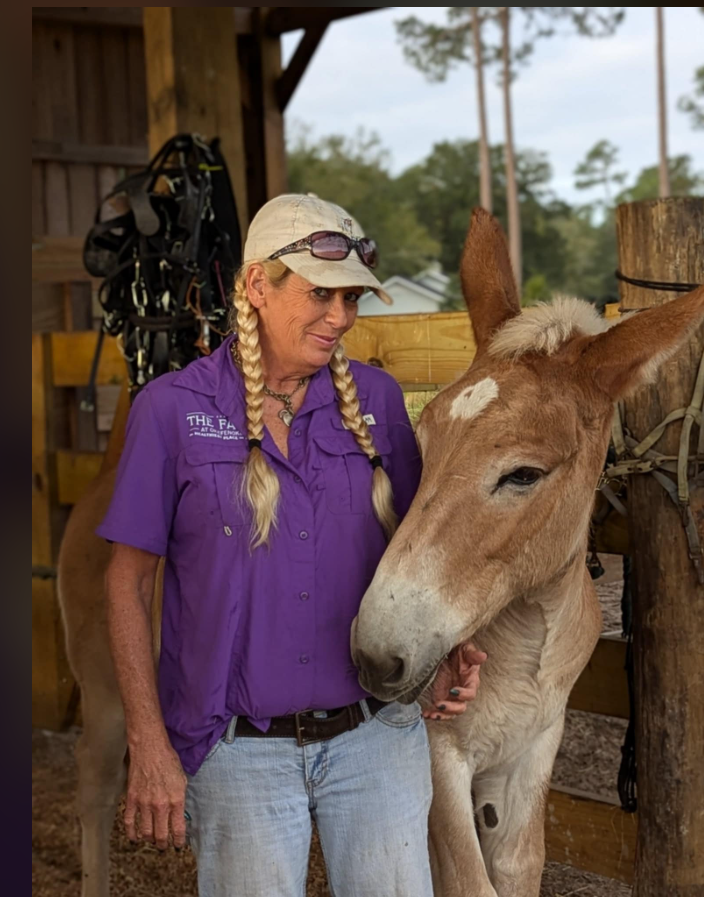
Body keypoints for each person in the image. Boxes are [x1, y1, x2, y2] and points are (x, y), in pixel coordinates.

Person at [99, 193, 486, 897]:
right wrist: (148, 740)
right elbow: (126, 582)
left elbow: (418, 547)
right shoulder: (172, 411)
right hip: (237, 751)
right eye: (319, 295)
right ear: (256, 286)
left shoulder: (377, 400)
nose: (339, 317)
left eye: (351, 300)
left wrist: (447, 639)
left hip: (376, 739)